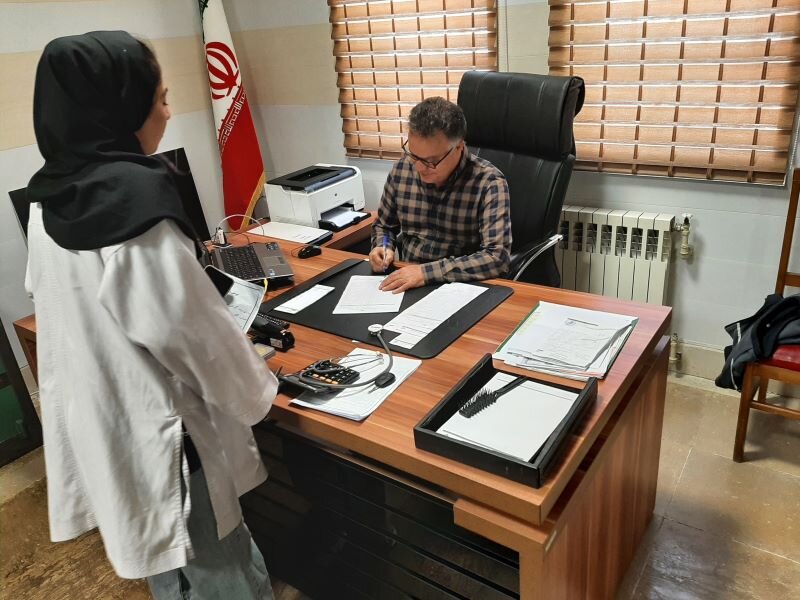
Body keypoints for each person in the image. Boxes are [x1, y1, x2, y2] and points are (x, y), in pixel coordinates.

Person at [25, 31, 277, 599]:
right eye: (159, 98)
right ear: (120, 105)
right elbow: (189, 333)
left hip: (108, 424)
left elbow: (55, 297)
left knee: (168, 569)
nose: (167, 111)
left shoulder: (48, 198)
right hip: (168, 436)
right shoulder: (134, 202)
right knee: (224, 572)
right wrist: (259, 390)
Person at [369, 96, 512, 293]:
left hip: (461, 286)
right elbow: (385, 226)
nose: (419, 168)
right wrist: (383, 246)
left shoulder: (489, 183)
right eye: (414, 155)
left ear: (459, 147)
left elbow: (497, 258)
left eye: (431, 161)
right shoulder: (402, 169)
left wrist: (426, 273)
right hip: (407, 281)